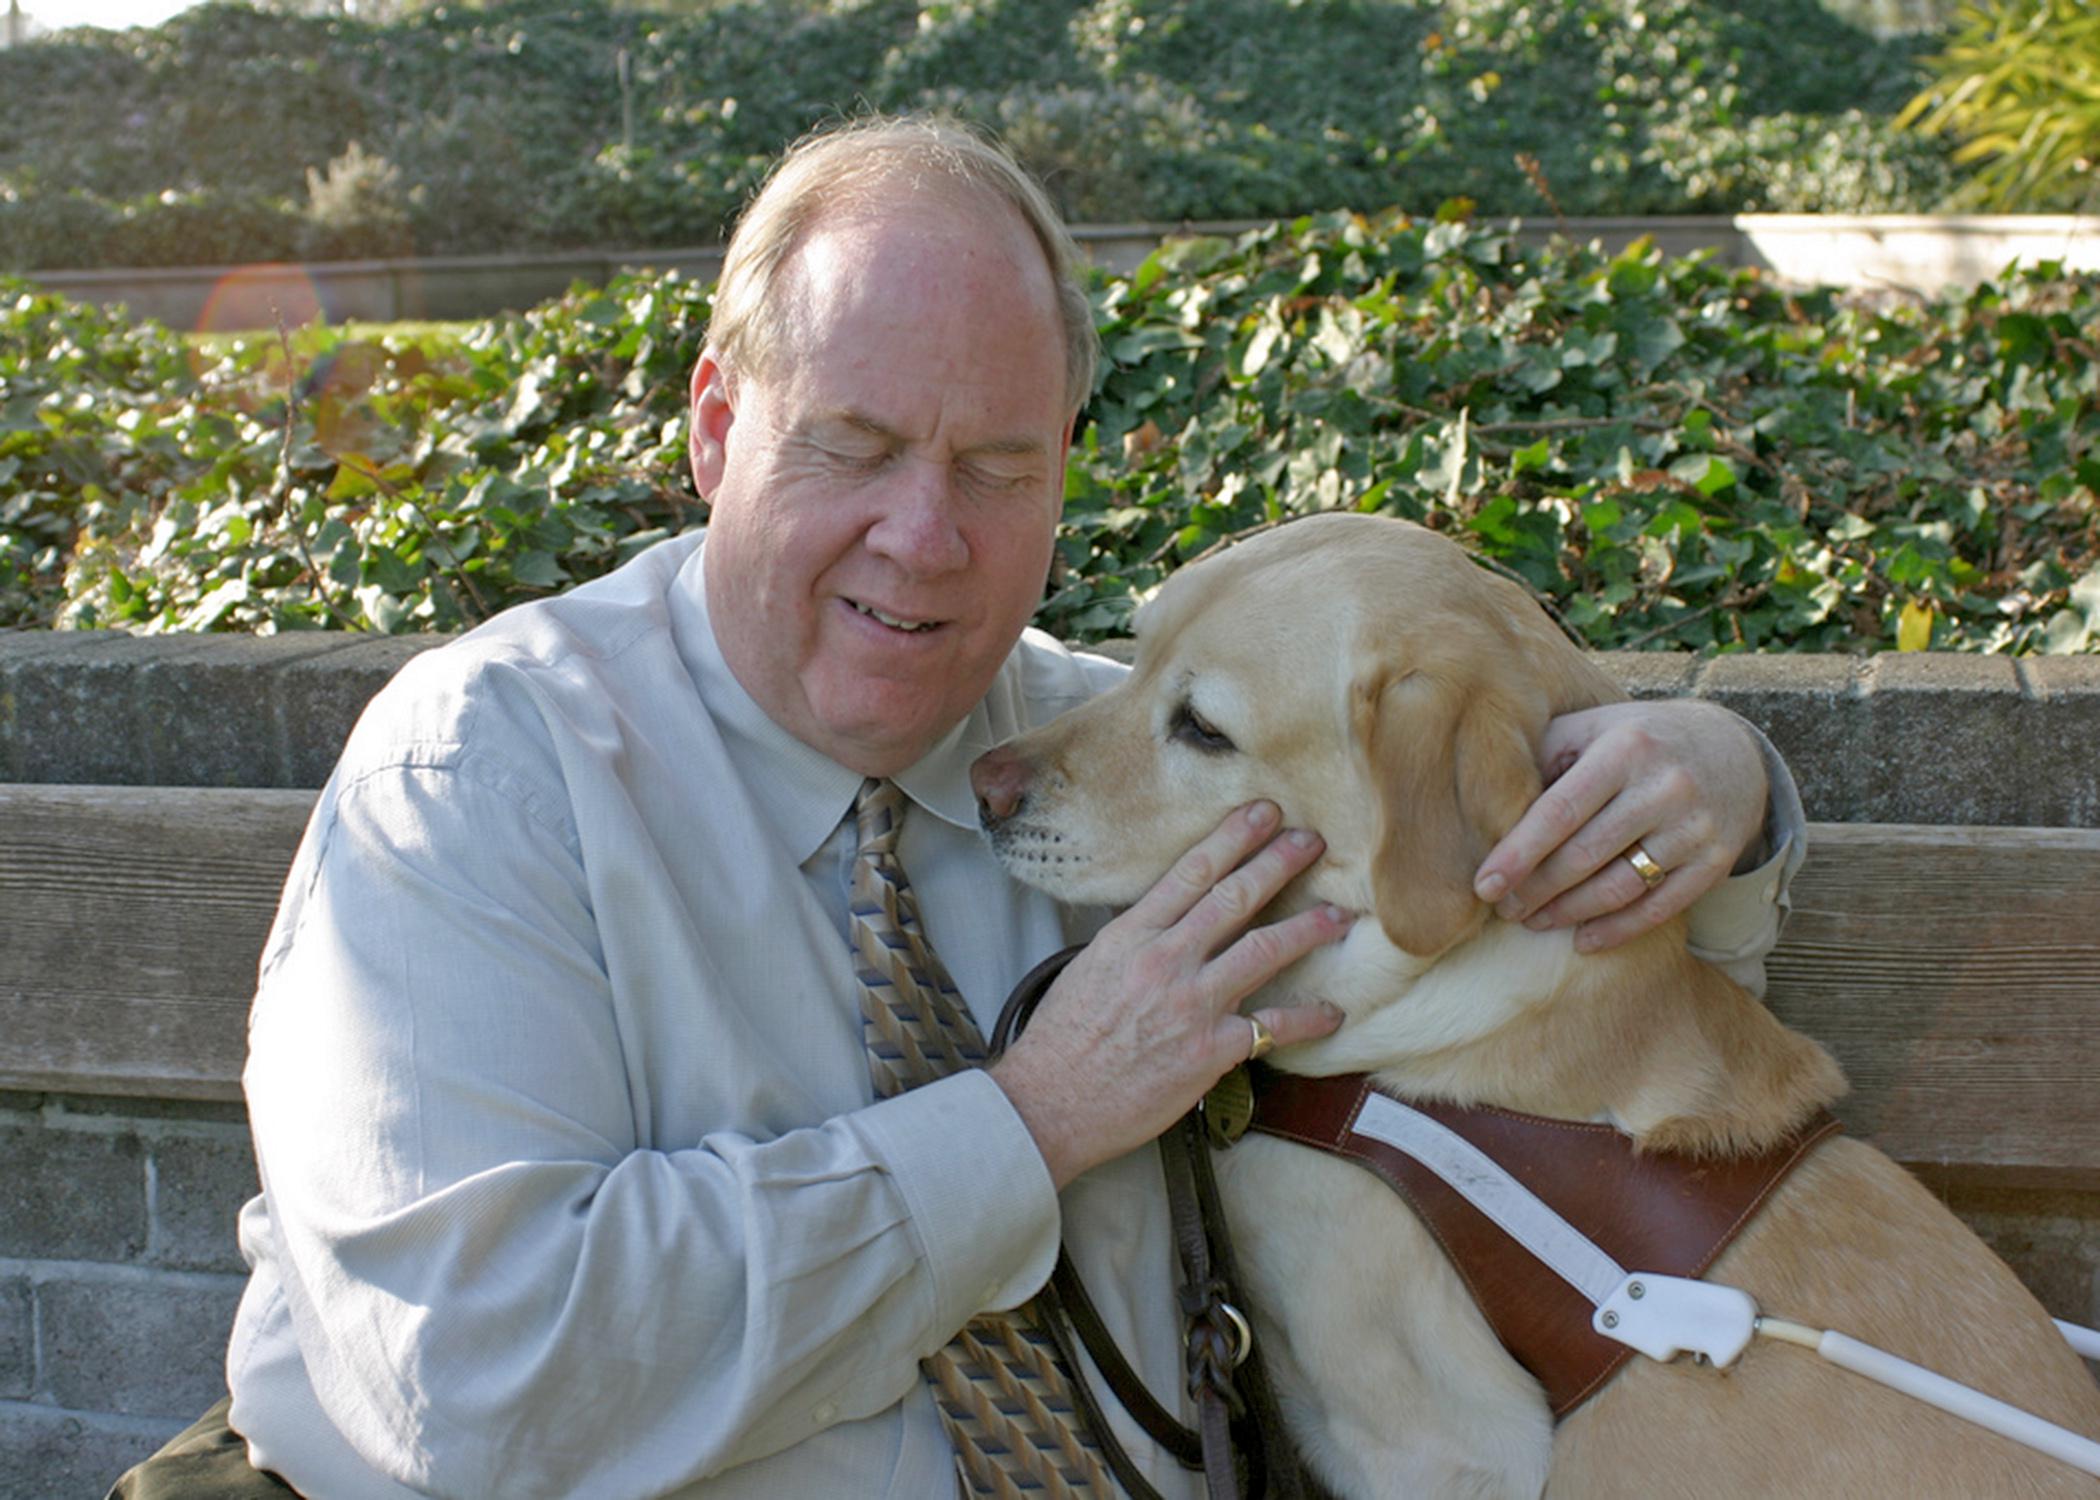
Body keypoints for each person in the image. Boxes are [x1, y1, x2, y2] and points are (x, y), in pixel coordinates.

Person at [114, 116, 1801, 1500]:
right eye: (851, 446)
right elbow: (472, 1377)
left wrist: (1715, 783)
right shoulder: (482, 777)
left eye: (999, 466)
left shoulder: (1108, 755)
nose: (926, 540)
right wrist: (1029, 1125)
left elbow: (1480, 868)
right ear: (716, 428)